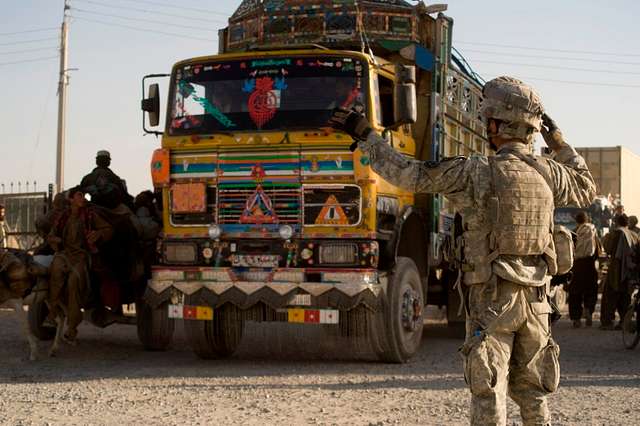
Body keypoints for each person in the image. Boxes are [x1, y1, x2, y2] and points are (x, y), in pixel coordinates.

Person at [330, 76, 596, 425]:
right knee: (534, 395)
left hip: (491, 299)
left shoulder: (476, 171)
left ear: (499, 123)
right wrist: (557, 139)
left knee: (489, 393)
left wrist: (366, 136)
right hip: (538, 303)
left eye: (489, 120)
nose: (487, 126)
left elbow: (409, 175)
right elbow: (587, 186)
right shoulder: (549, 172)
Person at [46, 186, 113, 342]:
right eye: (79, 195)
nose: (83, 198)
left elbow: (108, 229)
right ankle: (52, 312)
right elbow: (51, 236)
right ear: (71, 199)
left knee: (74, 282)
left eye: (83, 195)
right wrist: (55, 240)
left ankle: (71, 327)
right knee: (55, 271)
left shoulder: (90, 216)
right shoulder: (62, 217)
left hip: (82, 256)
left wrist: (98, 234)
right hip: (64, 254)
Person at [600, 214, 639, 330]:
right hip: (630, 271)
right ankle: (624, 321)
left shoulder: (615, 233)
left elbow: (607, 248)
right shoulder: (634, 235)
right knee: (625, 296)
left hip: (616, 270)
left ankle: (608, 322)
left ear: (616, 222)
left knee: (610, 295)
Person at [569, 211, 599, 328]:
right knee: (591, 291)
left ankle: (576, 319)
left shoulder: (574, 232)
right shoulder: (593, 232)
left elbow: (569, 250)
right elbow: (598, 251)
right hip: (590, 266)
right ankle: (588, 310)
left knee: (575, 293)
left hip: (576, 267)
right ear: (587, 220)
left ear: (576, 221)